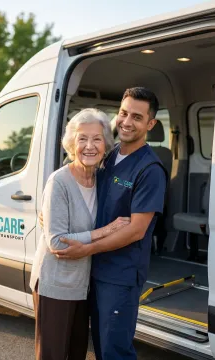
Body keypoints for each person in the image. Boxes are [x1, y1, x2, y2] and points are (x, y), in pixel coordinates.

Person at [52, 87, 167, 360]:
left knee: (115, 350)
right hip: (93, 270)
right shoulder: (109, 155)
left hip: (120, 276)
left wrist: (85, 249)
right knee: (101, 346)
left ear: (150, 124)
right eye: (124, 113)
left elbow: (136, 230)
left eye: (137, 117)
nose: (127, 122)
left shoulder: (150, 170)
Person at [29, 108, 130, 360]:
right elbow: (57, 242)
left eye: (96, 139)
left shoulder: (102, 179)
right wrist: (105, 231)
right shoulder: (59, 182)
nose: (89, 146)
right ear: (72, 143)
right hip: (56, 283)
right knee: (53, 355)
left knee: (76, 353)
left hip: (83, 284)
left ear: (105, 143)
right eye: (82, 138)